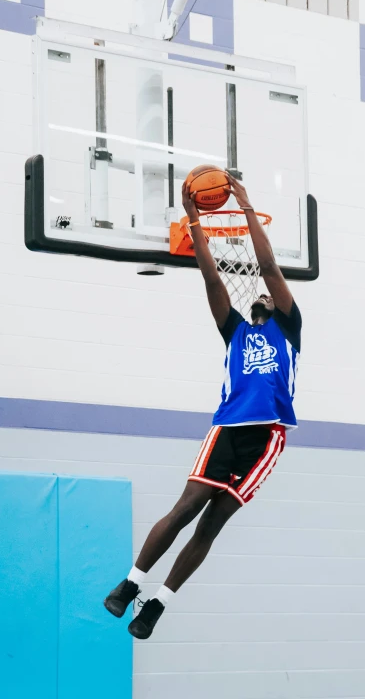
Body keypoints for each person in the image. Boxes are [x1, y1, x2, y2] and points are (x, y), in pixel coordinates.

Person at [104, 173, 302, 639]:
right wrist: (194, 219)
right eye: (262, 292)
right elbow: (212, 277)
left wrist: (247, 205)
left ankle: (156, 605)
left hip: (267, 436)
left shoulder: (289, 328)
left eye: (272, 292)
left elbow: (269, 265)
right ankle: (131, 584)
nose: (267, 291)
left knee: (212, 522)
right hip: (228, 428)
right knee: (188, 505)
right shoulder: (235, 329)